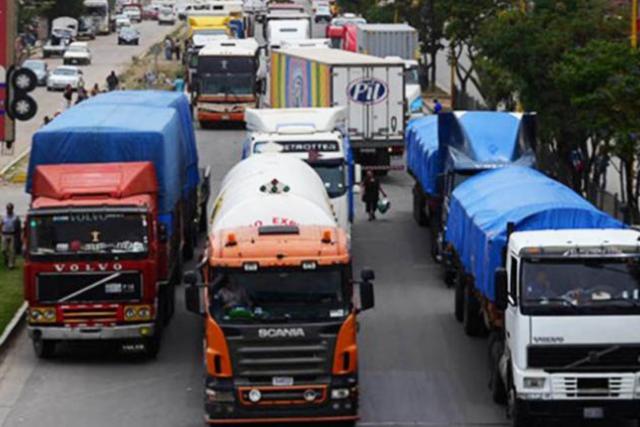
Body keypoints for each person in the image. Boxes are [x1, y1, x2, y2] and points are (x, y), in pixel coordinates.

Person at [1, 203, 20, 269]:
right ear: (6, 209)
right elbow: (1, 224)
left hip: (12, 234)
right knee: (4, 250)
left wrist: (18, 236)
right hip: (4, 234)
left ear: (12, 209)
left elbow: (18, 227)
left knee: (12, 250)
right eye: (8, 209)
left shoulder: (15, 217)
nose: (9, 210)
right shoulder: (3, 216)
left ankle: (11, 264)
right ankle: (7, 259)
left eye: (10, 209)